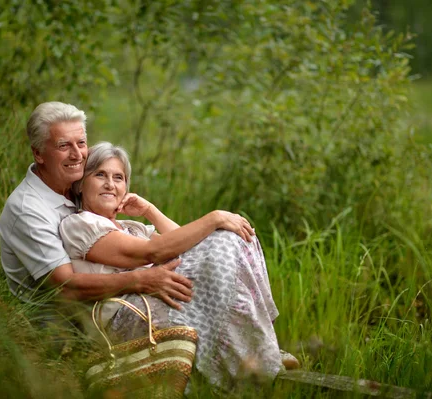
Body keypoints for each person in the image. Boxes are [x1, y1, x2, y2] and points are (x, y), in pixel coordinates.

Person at [59, 141, 300, 392]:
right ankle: (256, 356)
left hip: (155, 298)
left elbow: (187, 246)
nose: (110, 184)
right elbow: (153, 252)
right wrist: (215, 217)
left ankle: (259, 349)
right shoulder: (80, 224)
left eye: (118, 177)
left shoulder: (132, 227)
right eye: (100, 175)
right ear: (81, 184)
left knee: (230, 239)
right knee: (224, 239)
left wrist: (150, 211)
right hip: (126, 316)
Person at [0, 101, 193, 318]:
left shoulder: (75, 184)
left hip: (106, 309)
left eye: (81, 143)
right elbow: (66, 288)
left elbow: (172, 248)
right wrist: (139, 281)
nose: (77, 155)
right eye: (64, 146)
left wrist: (149, 211)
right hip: (54, 328)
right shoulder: (28, 209)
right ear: (38, 154)